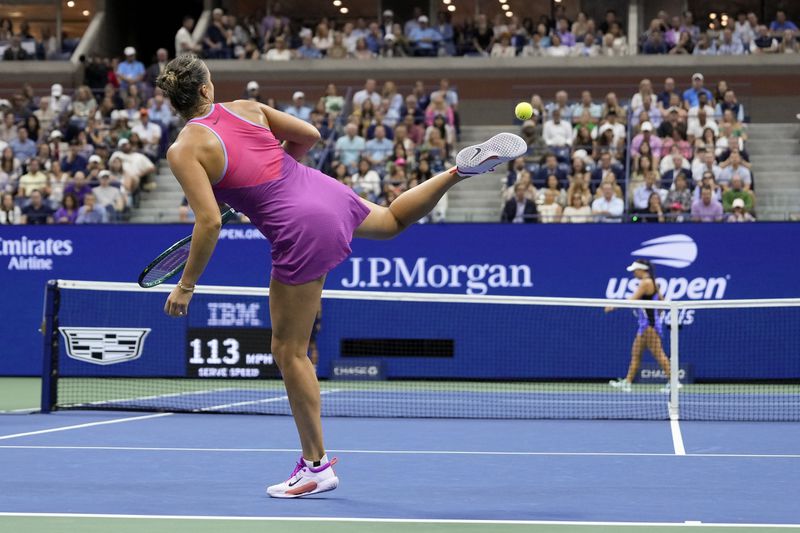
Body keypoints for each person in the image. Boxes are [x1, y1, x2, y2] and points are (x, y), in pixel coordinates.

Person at [155, 55, 527, 498]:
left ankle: (315, 467)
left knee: (289, 351)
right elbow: (309, 136)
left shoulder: (182, 150)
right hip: (317, 188)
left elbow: (209, 222)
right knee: (390, 221)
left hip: (298, 225)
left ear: (176, 103)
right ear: (205, 91)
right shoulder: (246, 107)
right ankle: (455, 172)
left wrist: (187, 284)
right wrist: (272, 178)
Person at [606, 260, 673, 393]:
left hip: (649, 325)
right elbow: (662, 300)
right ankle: (628, 382)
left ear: (641, 270)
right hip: (645, 324)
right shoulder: (653, 282)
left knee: (659, 354)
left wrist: (613, 306)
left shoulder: (646, 283)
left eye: (634, 271)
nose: (633, 273)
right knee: (636, 353)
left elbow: (632, 300)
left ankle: (673, 382)